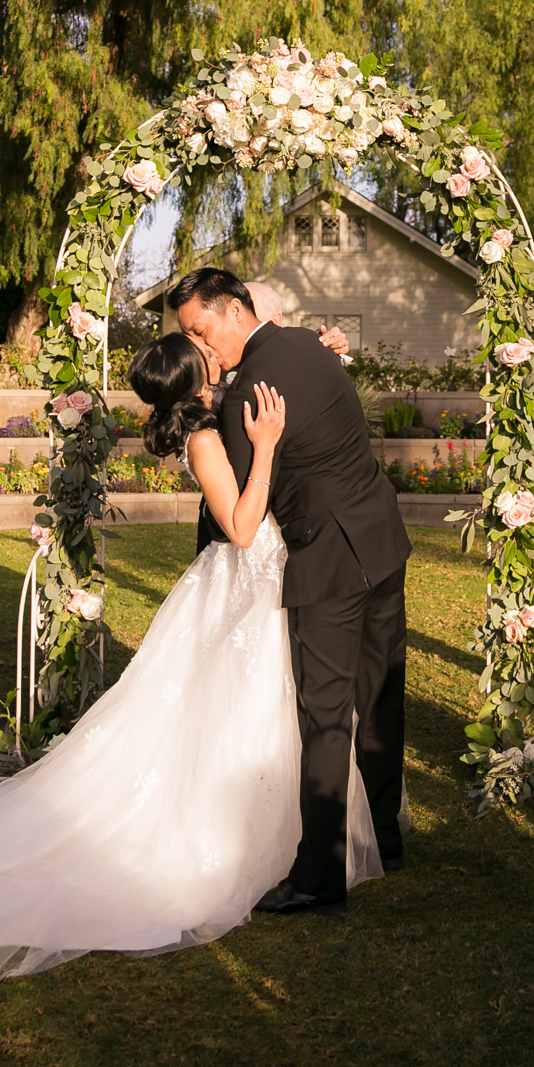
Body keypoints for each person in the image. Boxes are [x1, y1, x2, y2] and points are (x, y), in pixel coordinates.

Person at [0, 329, 385, 982]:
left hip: (265, 582)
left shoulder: (219, 413)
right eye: (206, 353)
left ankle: (295, 839)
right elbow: (242, 528)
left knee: (267, 711)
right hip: (243, 586)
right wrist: (268, 447)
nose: (219, 355)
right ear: (196, 376)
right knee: (226, 713)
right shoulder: (205, 438)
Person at [175, 267, 411, 913]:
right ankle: (385, 837)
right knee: (382, 692)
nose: (200, 344)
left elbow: (242, 519)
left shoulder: (247, 392)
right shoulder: (309, 344)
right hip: (381, 536)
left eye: (201, 328)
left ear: (232, 308)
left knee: (326, 716)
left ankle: (318, 875)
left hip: (329, 562)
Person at [191, 281, 347, 557]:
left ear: (273, 322)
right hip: (232, 519)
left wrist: (328, 351)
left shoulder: (292, 359)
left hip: (281, 530)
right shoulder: (214, 380)